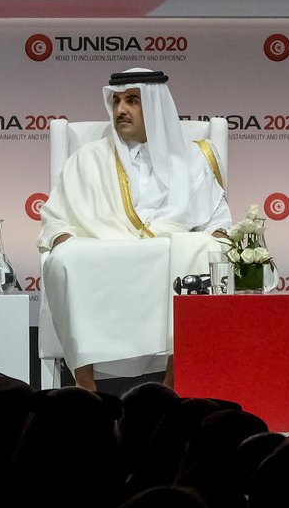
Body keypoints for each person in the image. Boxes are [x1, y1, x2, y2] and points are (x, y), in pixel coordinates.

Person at [38, 68, 231, 389]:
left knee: (207, 251)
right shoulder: (87, 158)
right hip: (105, 255)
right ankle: (85, 385)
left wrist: (217, 238)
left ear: (155, 106)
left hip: (170, 254)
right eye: (116, 101)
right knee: (66, 258)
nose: (120, 110)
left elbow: (218, 222)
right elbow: (56, 219)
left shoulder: (193, 159)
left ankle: (174, 381)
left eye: (132, 101)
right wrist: (65, 238)